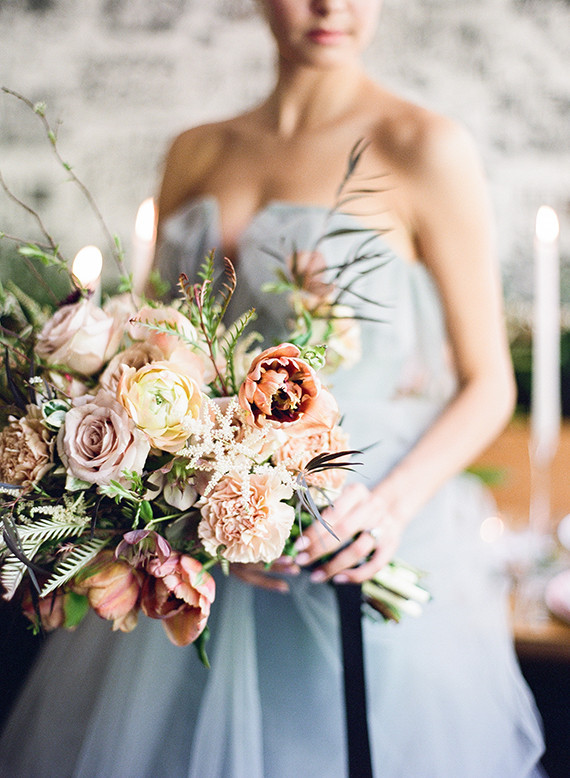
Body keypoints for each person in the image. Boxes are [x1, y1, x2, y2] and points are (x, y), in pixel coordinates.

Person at [0, 1, 545, 776]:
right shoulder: (195, 150)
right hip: (207, 536)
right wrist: (195, 517)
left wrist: (386, 510)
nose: (331, 6)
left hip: (351, 529)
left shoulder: (423, 146)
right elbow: (151, 356)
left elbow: (488, 383)